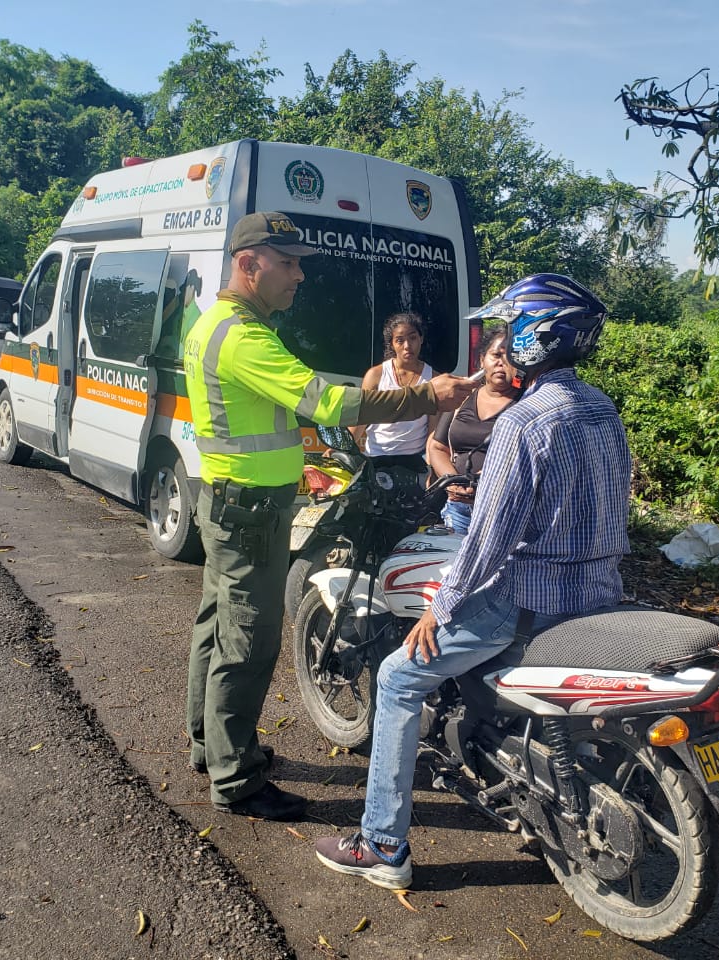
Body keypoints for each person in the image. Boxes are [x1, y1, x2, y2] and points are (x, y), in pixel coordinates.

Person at [313, 273, 632, 887]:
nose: (499, 343)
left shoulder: (524, 422)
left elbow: (489, 539)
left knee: (397, 677)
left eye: (509, 329)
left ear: (535, 337)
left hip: (526, 600)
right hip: (597, 593)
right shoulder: (601, 408)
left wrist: (443, 607)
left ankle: (383, 846)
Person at [181, 211, 475, 822]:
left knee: (217, 626)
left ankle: (211, 746)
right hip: (249, 513)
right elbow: (328, 403)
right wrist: (427, 395)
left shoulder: (215, 323)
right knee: (248, 640)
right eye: (289, 263)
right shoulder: (243, 337)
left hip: (228, 501)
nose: (300, 276)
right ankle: (237, 780)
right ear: (249, 264)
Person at [427, 327, 518, 533]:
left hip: (500, 510)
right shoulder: (463, 397)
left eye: (510, 357)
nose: (501, 363)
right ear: (482, 360)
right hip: (458, 507)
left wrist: (482, 483)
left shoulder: (525, 404)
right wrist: (452, 483)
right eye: (496, 355)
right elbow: (437, 447)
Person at [351, 313, 435, 473]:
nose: (407, 346)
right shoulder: (375, 375)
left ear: (421, 339)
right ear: (392, 344)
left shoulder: (433, 379)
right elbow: (360, 420)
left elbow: (433, 432)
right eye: (400, 340)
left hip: (414, 463)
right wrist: (340, 449)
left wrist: (431, 469)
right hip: (376, 460)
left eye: (412, 338)